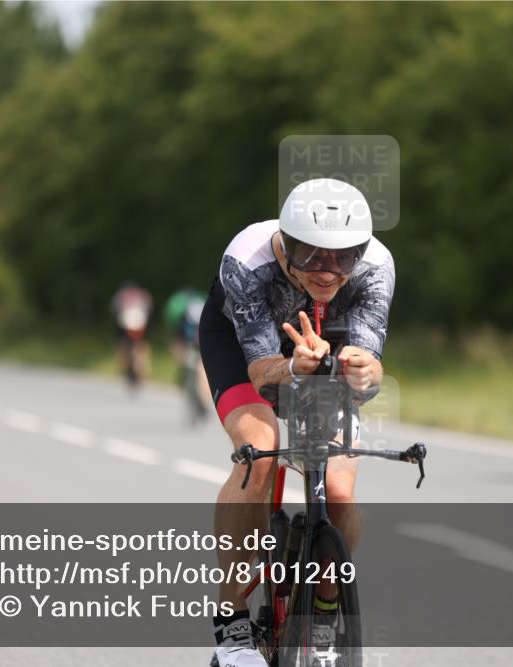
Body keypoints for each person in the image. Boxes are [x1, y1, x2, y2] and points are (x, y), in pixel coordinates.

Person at [199, 178, 394, 667]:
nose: (328, 271)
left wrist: (366, 373)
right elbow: (262, 372)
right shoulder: (247, 259)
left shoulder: (377, 266)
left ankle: (324, 611)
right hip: (244, 346)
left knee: (339, 490)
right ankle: (232, 621)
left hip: (328, 345)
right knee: (260, 449)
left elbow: (370, 368)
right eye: (311, 256)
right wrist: (290, 366)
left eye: (343, 259)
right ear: (285, 245)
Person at [164, 288, 212, 421]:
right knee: (203, 369)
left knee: (184, 358)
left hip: (188, 338)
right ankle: (205, 402)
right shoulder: (202, 301)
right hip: (205, 336)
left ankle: (183, 373)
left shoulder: (179, 305)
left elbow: (174, 327)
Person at [110, 282, 153, 389]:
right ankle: (142, 368)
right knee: (141, 346)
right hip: (141, 322)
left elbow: (114, 310)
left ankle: (126, 365)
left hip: (125, 324)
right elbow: (150, 309)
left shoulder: (120, 295)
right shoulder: (143, 294)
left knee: (122, 345)